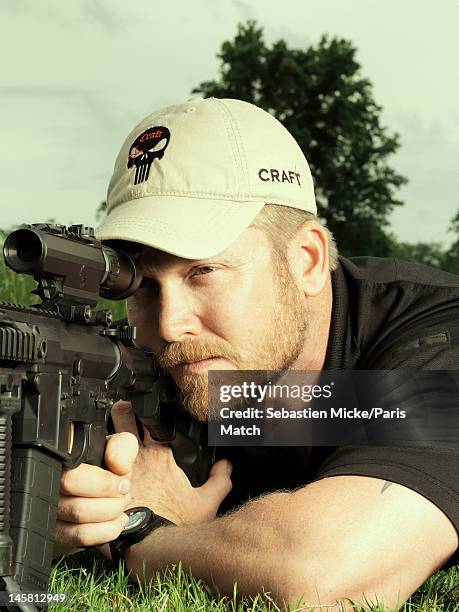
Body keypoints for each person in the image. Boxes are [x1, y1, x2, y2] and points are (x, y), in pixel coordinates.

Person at [54, 97, 459, 609]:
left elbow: (322, 574)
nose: (169, 324)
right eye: (144, 286)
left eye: (203, 273)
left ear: (307, 261)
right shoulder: (179, 365)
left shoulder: (435, 339)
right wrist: (69, 505)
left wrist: (140, 531)